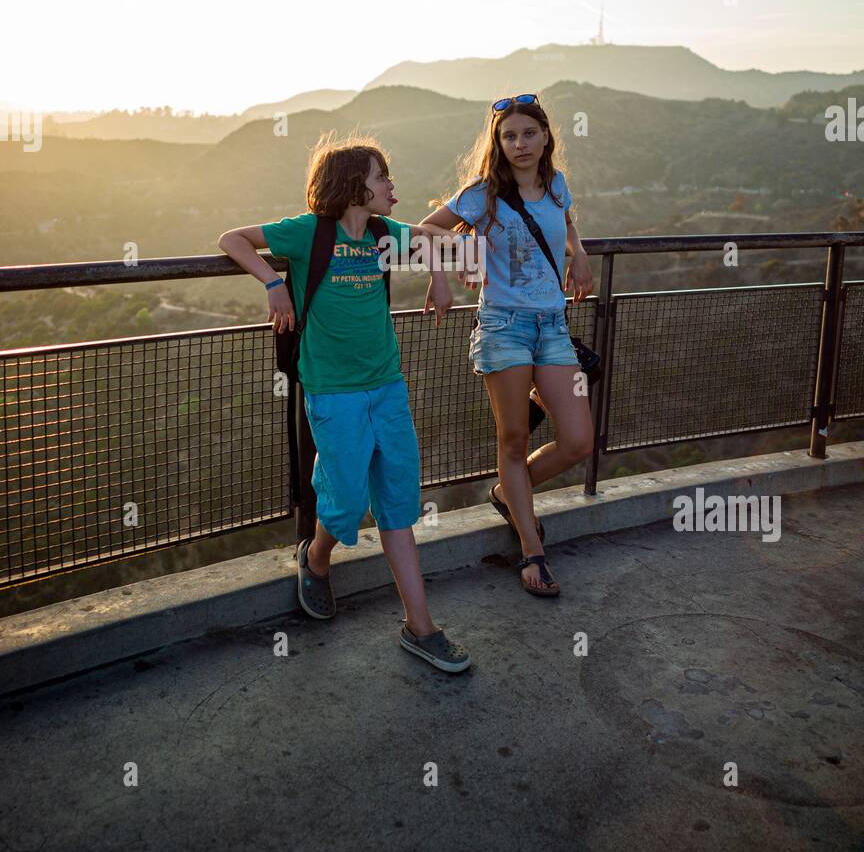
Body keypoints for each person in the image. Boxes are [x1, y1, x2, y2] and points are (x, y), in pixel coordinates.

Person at [217, 131, 470, 673]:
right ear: (354, 185)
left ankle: (421, 628)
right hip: (332, 391)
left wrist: (439, 278)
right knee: (348, 503)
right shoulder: (308, 232)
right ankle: (315, 556)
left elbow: (435, 239)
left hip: (387, 385)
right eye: (383, 177)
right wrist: (271, 283)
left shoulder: (383, 234)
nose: (391, 186)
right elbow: (232, 238)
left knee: (399, 501)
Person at [420, 94, 594, 597]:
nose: (519, 143)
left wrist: (578, 253)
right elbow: (428, 229)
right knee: (514, 439)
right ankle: (531, 549)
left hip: (552, 326)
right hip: (503, 326)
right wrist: (454, 265)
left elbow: (566, 222)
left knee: (578, 440)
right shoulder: (483, 194)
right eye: (508, 136)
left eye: (528, 133)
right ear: (498, 144)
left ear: (545, 138)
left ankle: (506, 494)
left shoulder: (556, 184)